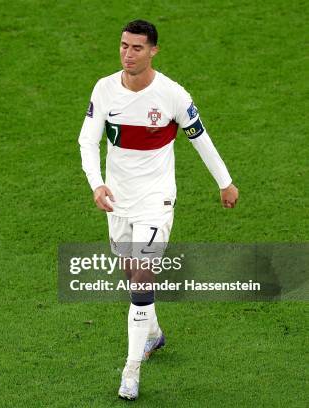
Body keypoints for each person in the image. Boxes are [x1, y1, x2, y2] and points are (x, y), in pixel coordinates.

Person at [78, 20, 239, 401]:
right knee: (129, 270)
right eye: (123, 46)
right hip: (118, 199)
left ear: (153, 51)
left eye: (136, 48)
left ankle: (131, 370)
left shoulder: (172, 95)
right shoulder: (104, 90)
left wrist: (225, 182)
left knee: (142, 276)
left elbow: (202, 140)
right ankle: (152, 333)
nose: (127, 54)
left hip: (156, 200)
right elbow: (88, 141)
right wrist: (96, 184)